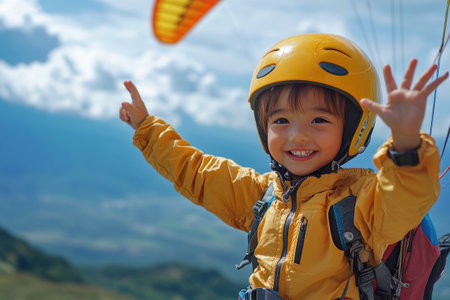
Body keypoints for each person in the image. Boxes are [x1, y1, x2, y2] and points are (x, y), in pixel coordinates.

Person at [119, 33, 448, 299]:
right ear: (264, 128)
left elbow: (407, 198)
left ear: (352, 129)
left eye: (319, 119)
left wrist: (406, 144)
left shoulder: (363, 203)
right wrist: (147, 129)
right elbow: (197, 171)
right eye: (281, 120)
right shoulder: (262, 195)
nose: (298, 136)